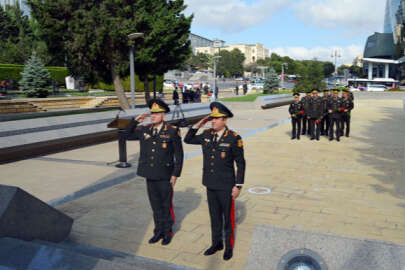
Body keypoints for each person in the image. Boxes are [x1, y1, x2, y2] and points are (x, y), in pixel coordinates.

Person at [184, 102, 246, 261]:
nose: (213, 121)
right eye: (212, 118)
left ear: (224, 120)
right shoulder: (206, 134)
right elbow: (188, 139)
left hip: (226, 185)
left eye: (217, 119)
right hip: (210, 183)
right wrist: (199, 123)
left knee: (228, 218)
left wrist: (238, 185)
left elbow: (241, 163)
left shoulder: (234, 138)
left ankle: (229, 246)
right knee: (214, 216)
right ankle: (216, 243)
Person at [124, 99, 184, 245]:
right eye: (152, 113)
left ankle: (167, 232)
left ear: (163, 115)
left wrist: (175, 174)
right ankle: (158, 232)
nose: (153, 116)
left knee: (166, 206)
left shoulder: (172, 131)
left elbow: (179, 155)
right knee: (155, 206)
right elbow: (126, 135)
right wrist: (134, 121)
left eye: (157, 113)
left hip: (165, 175)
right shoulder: (145, 129)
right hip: (150, 174)